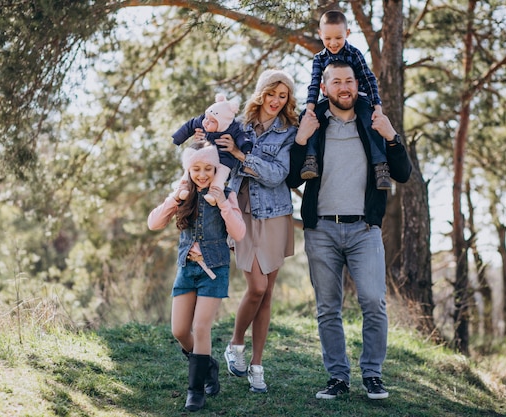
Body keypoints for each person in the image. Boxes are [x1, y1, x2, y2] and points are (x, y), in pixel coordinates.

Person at [286, 61, 412, 401]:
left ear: (358, 85)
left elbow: (403, 173)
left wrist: (392, 136)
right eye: (336, 82)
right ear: (323, 88)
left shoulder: (373, 121)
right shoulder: (312, 122)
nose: (344, 87)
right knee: (328, 307)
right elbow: (292, 178)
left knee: (373, 300)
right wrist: (300, 140)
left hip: (364, 229)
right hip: (321, 230)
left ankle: (372, 375)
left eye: (349, 81)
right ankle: (338, 378)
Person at [214, 69, 298, 394]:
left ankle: (257, 366)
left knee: (268, 294)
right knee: (257, 287)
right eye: (272, 94)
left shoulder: (288, 131)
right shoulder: (239, 126)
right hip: (241, 214)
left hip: (276, 214)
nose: (276, 101)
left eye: (283, 96)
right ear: (261, 93)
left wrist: (241, 155)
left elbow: (278, 175)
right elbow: (218, 157)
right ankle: (236, 344)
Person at [147, 141, 246, 412]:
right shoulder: (183, 194)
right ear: (188, 170)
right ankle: (209, 365)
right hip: (187, 269)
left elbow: (239, 233)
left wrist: (224, 203)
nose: (202, 174)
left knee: (201, 328)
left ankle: (195, 390)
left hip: (214, 271)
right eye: (196, 169)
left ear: (216, 168)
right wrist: (174, 199)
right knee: (179, 330)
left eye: (207, 168)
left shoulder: (226, 193)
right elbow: (153, 223)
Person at [301, 10, 391, 191]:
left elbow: (369, 79)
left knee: (371, 121)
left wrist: (377, 106)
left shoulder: (355, 53)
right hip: (330, 99)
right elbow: (314, 84)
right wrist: (309, 109)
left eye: (338, 38)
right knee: (309, 117)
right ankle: (310, 159)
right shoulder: (319, 59)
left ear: (347, 34)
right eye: (328, 39)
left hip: (358, 97)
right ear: (320, 35)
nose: (333, 43)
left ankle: (380, 165)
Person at [172, 93, 252, 206]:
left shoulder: (232, 127)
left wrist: (245, 146)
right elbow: (189, 126)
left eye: (212, 121)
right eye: (206, 118)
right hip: (206, 154)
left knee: (222, 172)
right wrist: (178, 138)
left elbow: (241, 136)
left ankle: (214, 194)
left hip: (224, 157)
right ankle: (184, 187)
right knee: (192, 162)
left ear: (222, 124)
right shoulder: (203, 121)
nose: (206, 122)